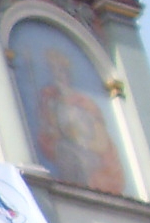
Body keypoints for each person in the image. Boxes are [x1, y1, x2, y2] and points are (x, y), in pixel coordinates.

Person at [31, 46, 127, 194]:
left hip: (89, 152)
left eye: (61, 71)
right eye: (54, 71)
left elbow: (101, 141)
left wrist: (83, 143)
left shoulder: (84, 103)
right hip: (68, 150)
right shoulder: (51, 100)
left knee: (77, 157)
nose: (58, 75)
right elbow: (50, 133)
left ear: (67, 74)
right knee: (65, 151)